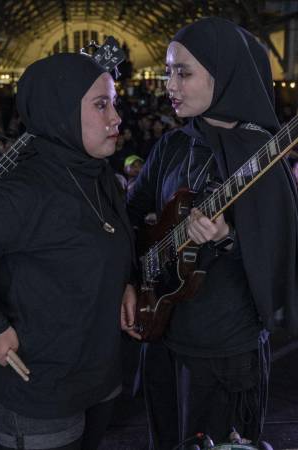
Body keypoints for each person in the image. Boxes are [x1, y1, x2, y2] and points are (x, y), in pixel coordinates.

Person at [0, 52, 137, 450]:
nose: (116, 117)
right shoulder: (25, 190)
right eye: (101, 104)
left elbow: (108, 242)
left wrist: (123, 281)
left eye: (115, 103)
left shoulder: (97, 173)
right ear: (61, 111)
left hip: (98, 374)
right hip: (40, 389)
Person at [127, 17, 298, 449]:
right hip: (163, 333)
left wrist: (228, 240)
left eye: (183, 72)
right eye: (169, 71)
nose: (171, 84)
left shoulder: (262, 154)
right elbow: (133, 213)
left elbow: (280, 255)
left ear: (224, 77)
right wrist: (133, 277)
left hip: (225, 348)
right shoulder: (172, 145)